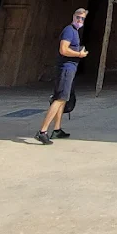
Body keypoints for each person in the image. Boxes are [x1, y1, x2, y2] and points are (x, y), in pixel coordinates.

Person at [37, 8, 89, 144]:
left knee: (64, 98)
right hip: (65, 69)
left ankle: (57, 129)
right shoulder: (69, 31)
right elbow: (63, 49)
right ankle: (42, 131)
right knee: (59, 99)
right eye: (78, 17)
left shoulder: (75, 32)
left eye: (82, 18)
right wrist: (79, 54)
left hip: (70, 69)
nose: (80, 20)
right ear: (73, 16)